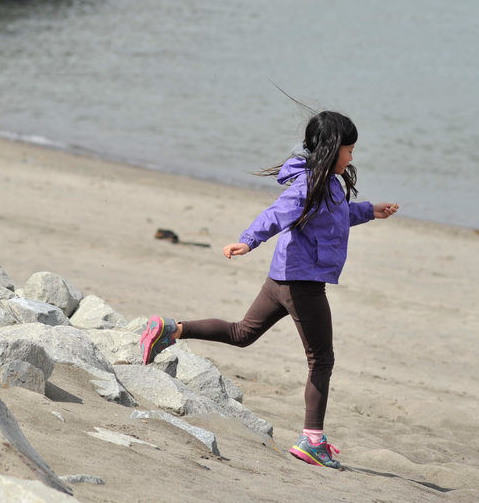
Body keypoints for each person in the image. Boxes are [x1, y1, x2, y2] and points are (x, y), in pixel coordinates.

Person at [139, 110, 399, 470]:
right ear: (332, 148)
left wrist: (370, 210)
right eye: (350, 150)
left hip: (281, 280)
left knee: (242, 333)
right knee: (321, 360)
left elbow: (336, 216)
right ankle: (313, 441)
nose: (352, 157)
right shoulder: (310, 184)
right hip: (303, 285)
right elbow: (275, 214)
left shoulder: (327, 183)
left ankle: (172, 328)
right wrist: (247, 241)